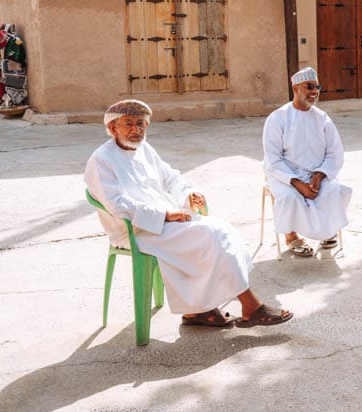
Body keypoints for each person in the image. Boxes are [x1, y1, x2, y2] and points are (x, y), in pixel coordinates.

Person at [84, 99, 292, 328]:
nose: (137, 130)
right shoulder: (101, 160)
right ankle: (250, 307)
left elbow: (171, 177)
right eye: (129, 124)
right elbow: (117, 205)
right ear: (113, 128)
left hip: (164, 222)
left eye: (142, 124)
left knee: (222, 231)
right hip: (136, 230)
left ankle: (197, 311)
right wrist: (165, 214)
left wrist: (189, 194)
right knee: (213, 235)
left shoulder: (144, 149)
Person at [263, 67, 352, 256]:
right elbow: (272, 158)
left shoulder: (322, 118)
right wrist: (297, 183)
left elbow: (335, 152)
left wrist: (319, 176)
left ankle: (328, 231)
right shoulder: (278, 118)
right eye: (309, 86)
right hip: (285, 174)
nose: (314, 91)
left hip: (316, 174)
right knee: (289, 197)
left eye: (317, 87)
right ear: (295, 88)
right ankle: (292, 236)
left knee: (335, 190)